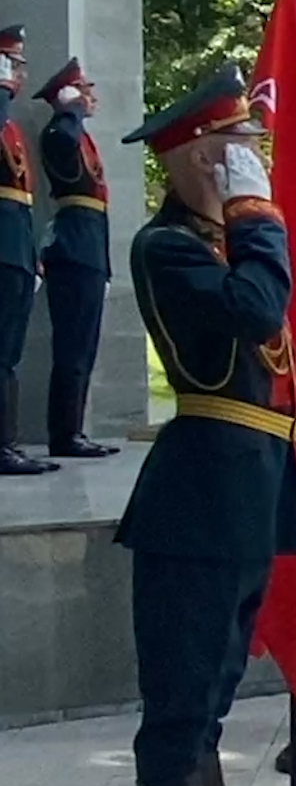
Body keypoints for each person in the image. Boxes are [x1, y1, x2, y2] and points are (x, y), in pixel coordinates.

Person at [118, 63, 296, 786]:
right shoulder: (171, 246)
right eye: (241, 149)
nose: (255, 165)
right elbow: (256, 311)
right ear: (204, 156)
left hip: (243, 490)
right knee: (177, 714)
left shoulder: (214, 240)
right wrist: (259, 221)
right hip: (196, 499)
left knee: (207, 706)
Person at [35, 56, 119, 460]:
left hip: (89, 249)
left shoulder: (81, 135)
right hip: (73, 249)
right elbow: (68, 168)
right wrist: (67, 110)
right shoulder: (58, 132)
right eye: (84, 89)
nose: (92, 96)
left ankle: (73, 430)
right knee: (71, 348)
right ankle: (64, 434)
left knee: (83, 348)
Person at [0, 24, 53, 475]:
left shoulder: (12, 127)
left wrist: (31, 253)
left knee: (9, 353)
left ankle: (8, 442)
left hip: (14, 248)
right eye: (13, 62)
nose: (19, 72)